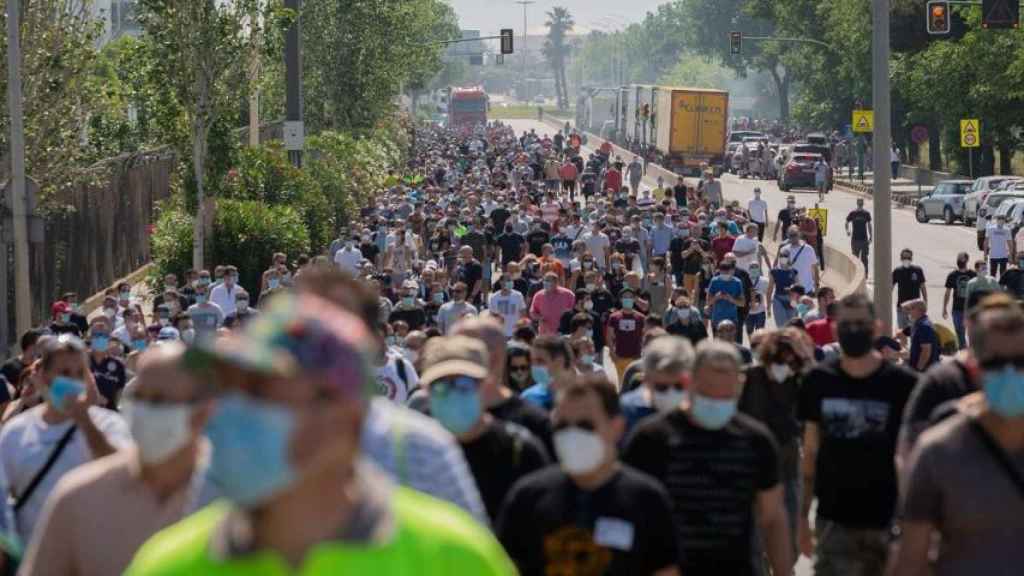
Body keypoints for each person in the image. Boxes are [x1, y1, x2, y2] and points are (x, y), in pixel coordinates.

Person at [125, 293, 515, 575]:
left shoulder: (451, 557)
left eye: (259, 392)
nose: (227, 414)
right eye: (228, 390)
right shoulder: (166, 564)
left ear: (343, 418)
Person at [20, 343, 216, 576]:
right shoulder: (78, 496)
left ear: (203, 411)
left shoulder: (236, 499)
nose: (145, 410)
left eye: (159, 400)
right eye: (138, 398)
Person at [623, 340, 793, 576]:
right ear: (688, 382)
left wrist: (784, 571)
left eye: (724, 397)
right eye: (707, 394)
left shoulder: (756, 441)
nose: (715, 403)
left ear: (739, 387)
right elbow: (628, 513)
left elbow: (773, 517)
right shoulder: (651, 439)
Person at [889, 298, 1024, 575]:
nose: (1011, 373)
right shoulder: (938, 452)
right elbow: (912, 559)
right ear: (976, 367)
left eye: (1021, 361)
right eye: (997, 363)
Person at [498, 375, 682, 576]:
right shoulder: (527, 497)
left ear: (617, 427)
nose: (572, 434)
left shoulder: (647, 499)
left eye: (585, 425)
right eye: (562, 426)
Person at [797, 294, 918, 576]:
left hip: (889, 520)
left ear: (876, 327)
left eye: (860, 323)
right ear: (836, 328)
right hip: (833, 521)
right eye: (846, 324)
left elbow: (913, 458)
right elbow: (810, 452)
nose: (853, 330)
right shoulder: (817, 381)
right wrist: (802, 518)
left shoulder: (903, 385)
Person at [0, 334, 130, 546]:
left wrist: (85, 422)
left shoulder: (110, 425)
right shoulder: (17, 432)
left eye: (79, 373)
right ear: (43, 375)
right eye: (64, 372)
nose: (72, 380)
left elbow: (126, 476)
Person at [421, 335, 549, 523]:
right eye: (441, 387)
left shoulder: (520, 450)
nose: (453, 395)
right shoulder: (414, 452)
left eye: (464, 385)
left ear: (486, 384)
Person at [620, 336, 694, 434]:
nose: (671, 393)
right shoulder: (626, 413)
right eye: (662, 387)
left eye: (679, 386)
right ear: (647, 381)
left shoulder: (700, 415)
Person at [521, 335, 576, 412]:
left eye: (540, 361)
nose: (534, 366)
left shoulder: (583, 396)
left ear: (559, 362)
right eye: (532, 361)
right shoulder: (529, 397)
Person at [607, 288, 646, 381]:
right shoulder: (614, 317)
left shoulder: (641, 317)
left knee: (635, 383)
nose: (628, 299)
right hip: (620, 356)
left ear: (634, 299)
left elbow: (645, 336)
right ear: (621, 300)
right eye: (625, 297)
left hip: (636, 357)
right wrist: (612, 353)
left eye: (630, 297)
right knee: (622, 382)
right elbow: (609, 336)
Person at [943, 252, 976, 349]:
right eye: (958, 258)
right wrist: (944, 308)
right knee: (959, 331)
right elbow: (947, 293)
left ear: (966, 260)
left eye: (961, 258)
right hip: (957, 309)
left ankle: (971, 352)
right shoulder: (952, 275)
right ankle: (964, 350)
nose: (959, 260)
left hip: (970, 309)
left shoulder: (972, 274)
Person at [530, 272, 575, 336]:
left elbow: (574, 311)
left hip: (563, 333)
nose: (545, 283)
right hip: (545, 333)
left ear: (556, 282)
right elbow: (533, 312)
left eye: (548, 281)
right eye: (545, 280)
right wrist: (540, 318)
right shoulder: (539, 295)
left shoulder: (568, 294)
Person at [892, 248, 927, 330]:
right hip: (901, 308)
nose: (906, 260)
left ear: (911, 258)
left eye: (908, 258)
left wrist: (925, 301)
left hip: (915, 309)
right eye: (904, 257)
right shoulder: (897, 271)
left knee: (915, 333)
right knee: (902, 332)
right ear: (901, 258)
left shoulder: (918, 270)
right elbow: (891, 287)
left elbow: (923, 287)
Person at [903, 298, 940, 373]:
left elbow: (926, 352)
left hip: (925, 370)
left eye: (911, 309)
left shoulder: (923, 326)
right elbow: (903, 307)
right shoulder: (919, 323)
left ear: (919, 310)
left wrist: (918, 370)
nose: (909, 312)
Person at [782, 225, 820, 293]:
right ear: (787, 235)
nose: (793, 237)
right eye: (791, 235)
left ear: (799, 234)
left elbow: (815, 268)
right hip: (792, 291)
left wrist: (816, 285)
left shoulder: (809, 249)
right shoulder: (784, 250)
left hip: (807, 289)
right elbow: (783, 269)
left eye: (795, 235)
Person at [845, 197, 872, 273]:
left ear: (863, 204)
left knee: (864, 259)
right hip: (855, 239)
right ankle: (856, 275)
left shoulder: (866, 214)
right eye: (859, 202)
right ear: (857, 203)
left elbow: (869, 225)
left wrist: (870, 237)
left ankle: (865, 276)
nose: (860, 204)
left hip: (864, 240)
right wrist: (847, 230)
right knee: (855, 259)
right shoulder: (853, 213)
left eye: (861, 202)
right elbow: (846, 222)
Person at [985, 213, 1013, 278]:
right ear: (997, 220)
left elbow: (1010, 243)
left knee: (1003, 275)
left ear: (1004, 221)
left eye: (1002, 219)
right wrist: (985, 254)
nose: (1001, 221)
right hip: (993, 255)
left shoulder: (1007, 230)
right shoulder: (990, 229)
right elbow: (986, 242)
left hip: (1003, 255)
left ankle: (1001, 287)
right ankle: (992, 287)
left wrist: (1010, 255)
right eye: (999, 219)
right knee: (992, 274)